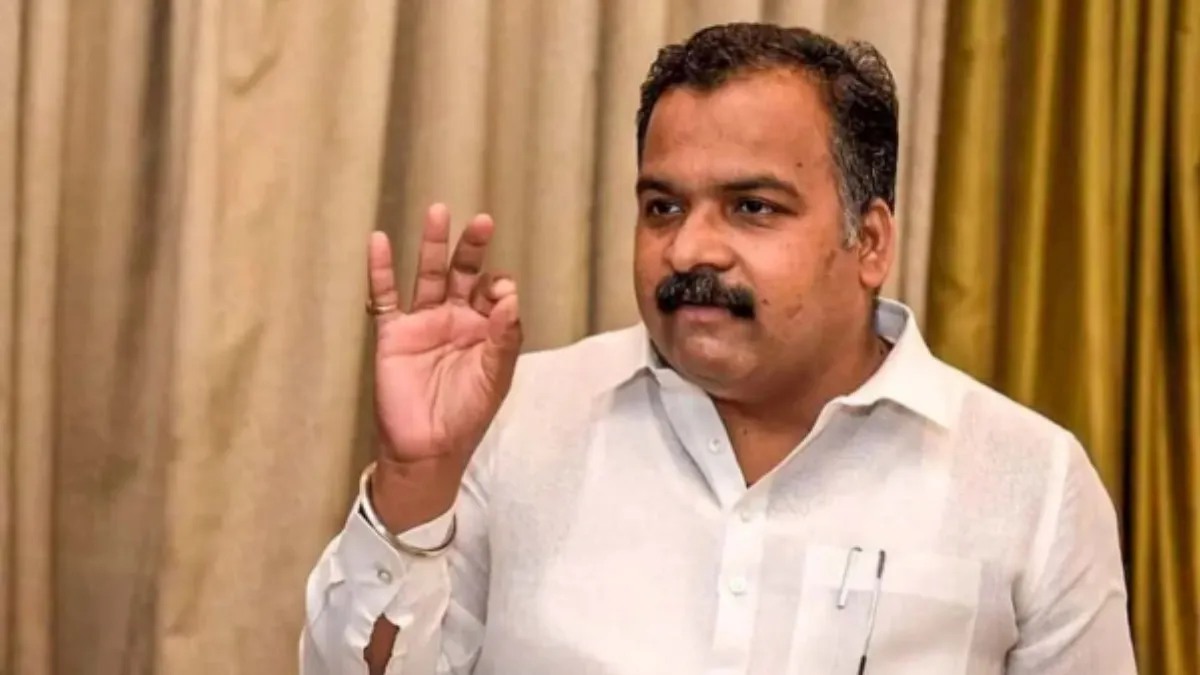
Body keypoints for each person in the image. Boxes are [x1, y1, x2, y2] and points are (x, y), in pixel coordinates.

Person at [300, 23, 1137, 675]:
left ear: (870, 241)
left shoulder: (1032, 483)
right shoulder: (517, 420)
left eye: (753, 207)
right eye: (662, 207)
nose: (690, 249)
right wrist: (417, 481)